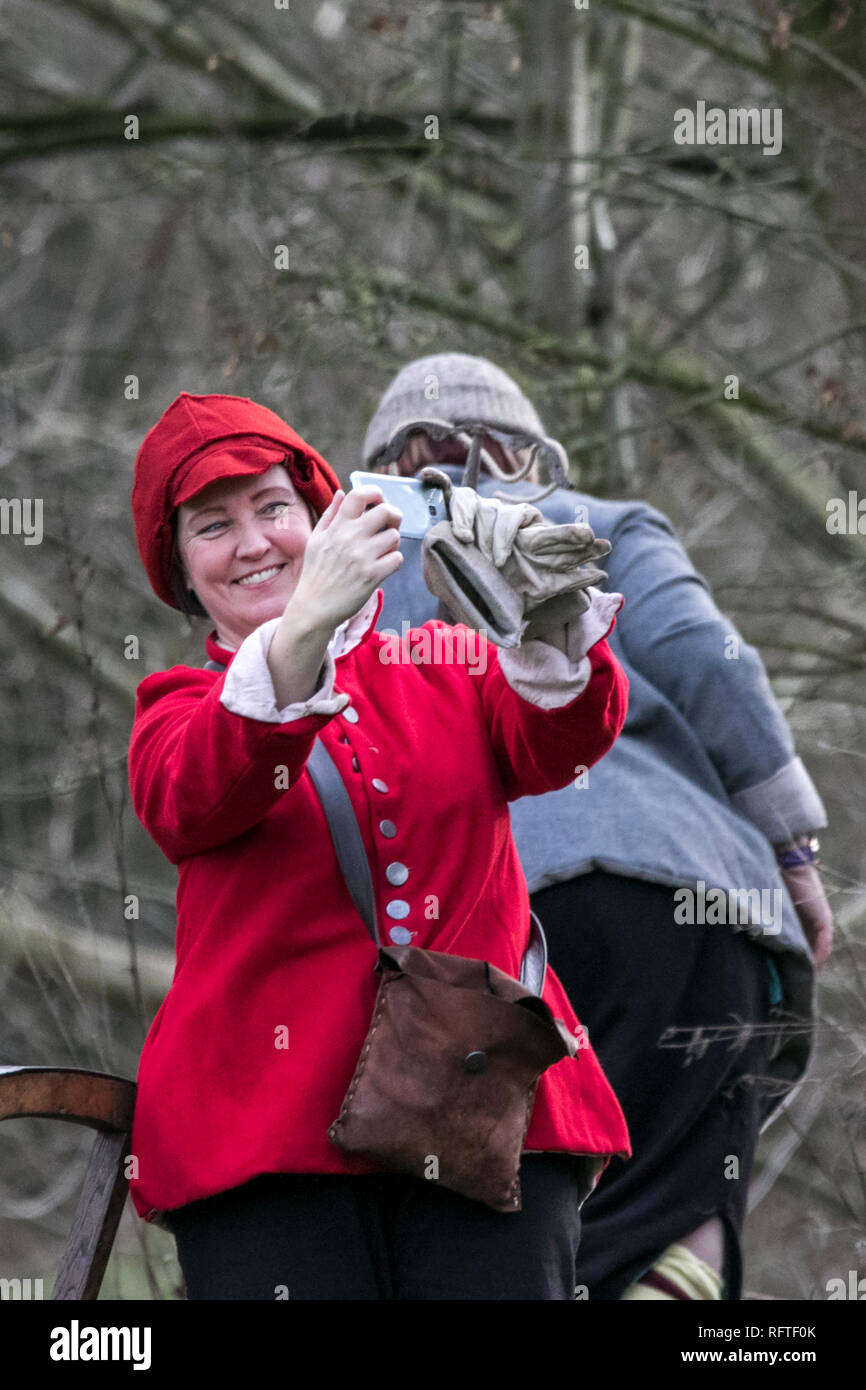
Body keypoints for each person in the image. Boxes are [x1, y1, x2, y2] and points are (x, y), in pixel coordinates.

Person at [126, 390, 631, 1300]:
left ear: (324, 522)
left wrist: (546, 623)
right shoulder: (174, 713)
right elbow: (195, 793)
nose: (251, 544)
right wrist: (304, 631)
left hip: (488, 1119)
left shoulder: (444, 660)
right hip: (267, 1153)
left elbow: (561, 742)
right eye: (212, 525)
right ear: (182, 571)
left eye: (274, 509)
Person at [362, 352, 833, 1301]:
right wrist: (793, 851)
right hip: (702, 909)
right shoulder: (599, 528)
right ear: (533, 458)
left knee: (508, 1213)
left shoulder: (356, 575)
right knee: (691, 1189)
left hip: (493, 941)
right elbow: (714, 664)